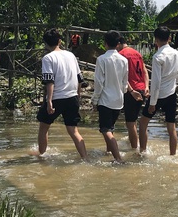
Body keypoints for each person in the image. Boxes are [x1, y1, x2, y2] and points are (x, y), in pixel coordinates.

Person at [36, 28, 88, 161]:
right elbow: (79, 78)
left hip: (57, 98)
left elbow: (49, 81)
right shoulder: (70, 55)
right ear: (59, 41)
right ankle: (85, 158)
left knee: (43, 127)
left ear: (45, 43)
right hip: (72, 97)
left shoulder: (48, 58)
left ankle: (42, 157)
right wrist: (78, 95)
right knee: (74, 131)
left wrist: (49, 101)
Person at [91, 30, 142, 162]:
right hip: (119, 101)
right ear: (118, 43)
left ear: (105, 44)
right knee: (110, 127)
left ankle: (118, 158)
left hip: (106, 100)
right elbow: (125, 83)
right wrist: (126, 91)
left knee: (105, 130)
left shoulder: (101, 59)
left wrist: (95, 100)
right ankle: (109, 152)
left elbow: (99, 83)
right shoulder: (123, 60)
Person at [137, 26, 178, 155]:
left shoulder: (158, 56)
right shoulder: (177, 54)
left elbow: (156, 83)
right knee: (171, 128)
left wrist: (153, 103)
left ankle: (142, 153)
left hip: (159, 95)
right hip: (171, 93)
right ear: (170, 38)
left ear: (156, 40)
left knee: (143, 123)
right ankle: (173, 155)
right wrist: (172, 79)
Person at [117, 34, 149, 151]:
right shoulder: (137, 53)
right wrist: (147, 87)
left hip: (131, 90)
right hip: (141, 88)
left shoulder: (121, 55)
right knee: (136, 120)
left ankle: (134, 149)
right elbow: (145, 71)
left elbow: (123, 77)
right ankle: (141, 148)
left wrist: (131, 91)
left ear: (119, 44)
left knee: (130, 123)